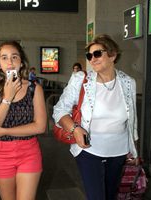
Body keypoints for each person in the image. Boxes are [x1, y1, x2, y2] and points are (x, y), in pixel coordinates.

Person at [53, 34, 139, 200]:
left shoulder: (129, 82)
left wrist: (133, 149)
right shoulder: (80, 80)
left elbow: (132, 119)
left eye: (97, 54)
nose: (92, 59)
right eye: (89, 55)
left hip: (118, 151)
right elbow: (59, 109)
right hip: (88, 149)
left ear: (113, 55)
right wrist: (75, 128)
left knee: (110, 194)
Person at [0, 41, 47, 200]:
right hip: (0, 154)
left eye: (14, 57)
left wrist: (5, 131)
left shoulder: (34, 88)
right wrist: (8, 96)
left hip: (29, 152)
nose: (9, 62)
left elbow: (40, 127)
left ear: (21, 62)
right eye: (4, 58)